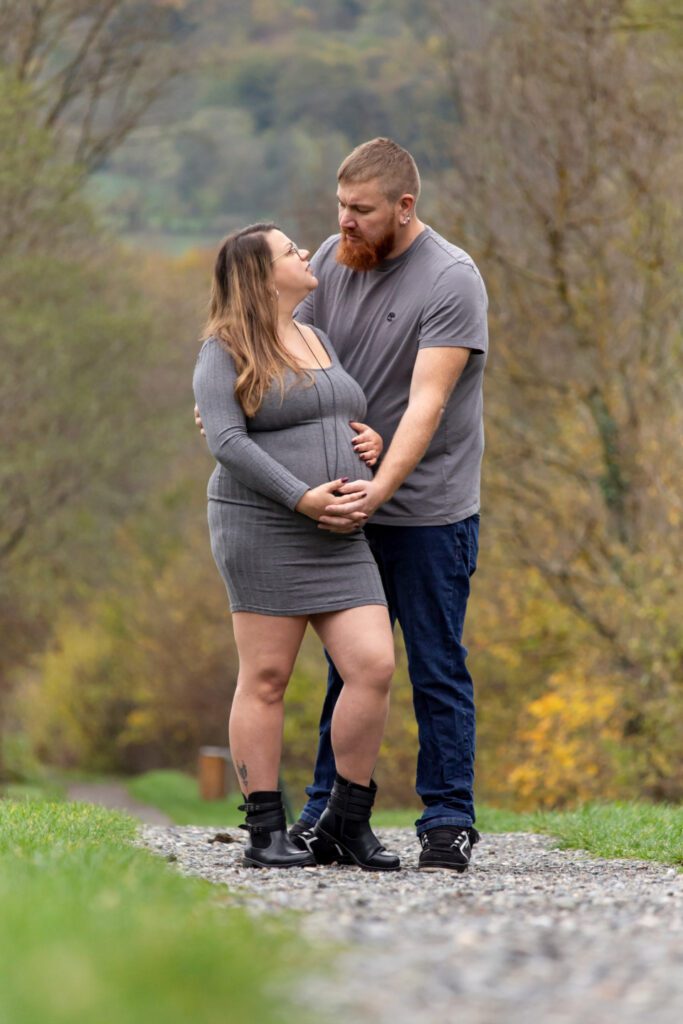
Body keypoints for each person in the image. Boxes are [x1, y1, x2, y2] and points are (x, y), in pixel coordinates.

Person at [287, 137, 489, 872]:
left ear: (405, 208)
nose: (345, 222)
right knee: (350, 670)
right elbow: (294, 365)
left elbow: (428, 404)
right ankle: (329, 812)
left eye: (361, 210)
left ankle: (447, 820)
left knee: (436, 665)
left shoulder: (451, 279)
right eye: (340, 206)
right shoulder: (331, 259)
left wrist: (382, 486)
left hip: (429, 511)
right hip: (350, 507)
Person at [192, 222, 400, 871]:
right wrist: (301, 497)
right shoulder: (222, 349)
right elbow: (226, 440)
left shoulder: (314, 334)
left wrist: (369, 442)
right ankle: (263, 831)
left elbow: (334, 411)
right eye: (290, 251)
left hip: (339, 537)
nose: (305, 253)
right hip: (262, 528)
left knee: (373, 667)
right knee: (267, 678)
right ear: (259, 274)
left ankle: (346, 820)